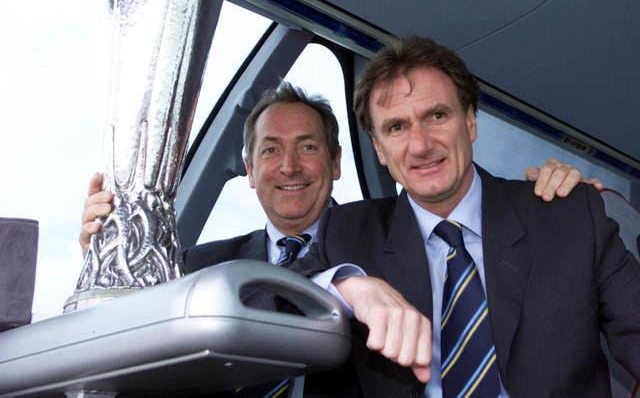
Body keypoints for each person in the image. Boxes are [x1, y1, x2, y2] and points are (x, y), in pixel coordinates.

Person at [79, 82, 599, 397]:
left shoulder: (399, 238)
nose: (288, 166)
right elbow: (129, 346)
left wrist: (552, 204)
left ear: (336, 161)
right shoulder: (196, 267)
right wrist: (105, 264)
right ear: (248, 168)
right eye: (270, 151)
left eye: (308, 147)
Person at [295, 37, 640, 398]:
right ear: (379, 149)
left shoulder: (568, 217)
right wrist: (349, 288)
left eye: (437, 116)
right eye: (397, 127)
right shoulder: (348, 234)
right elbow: (271, 298)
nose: (421, 144)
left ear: (471, 122)